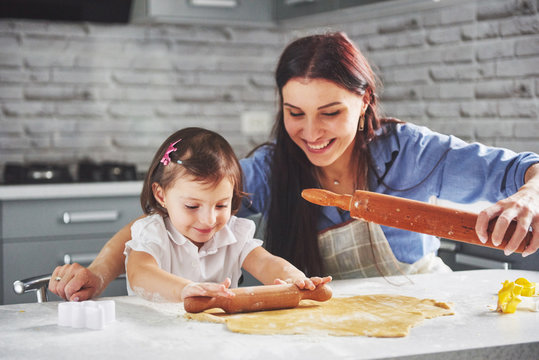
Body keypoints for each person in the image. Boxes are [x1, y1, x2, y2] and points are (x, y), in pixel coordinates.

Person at [49, 32, 539, 301]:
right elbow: (156, 226)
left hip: (423, 308)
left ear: (364, 101)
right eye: (294, 113)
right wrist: (97, 271)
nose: (311, 133)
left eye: (331, 113)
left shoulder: (410, 149)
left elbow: (528, 170)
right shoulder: (269, 168)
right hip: (321, 324)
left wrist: (529, 196)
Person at [127, 127, 330, 302]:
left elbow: (266, 262)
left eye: (221, 205)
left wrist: (294, 277)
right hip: (155, 334)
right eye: (192, 206)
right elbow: (140, 273)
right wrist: (184, 290)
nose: (209, 219)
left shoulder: (233, 234)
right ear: (161, 195)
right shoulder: (153, 232)